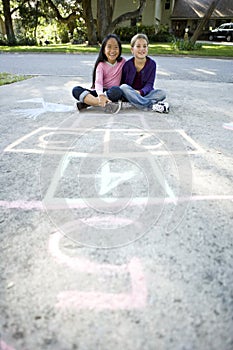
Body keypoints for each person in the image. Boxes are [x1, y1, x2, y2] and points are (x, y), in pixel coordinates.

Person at [72, 34, 125, 114]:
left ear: (120, 49)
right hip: (99, 92)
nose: (112, 50)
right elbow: (98, 82)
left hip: (111, 92)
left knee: (117, 91)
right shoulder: (101, 65)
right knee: (75, 90)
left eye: (116, 47)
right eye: (109, 47)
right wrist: (100, 95)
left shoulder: (123, 62)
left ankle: (87, 103)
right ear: (104, 50)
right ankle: (99, 103)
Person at [120, 33, 169, 113]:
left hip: (145, 94)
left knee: (161, 93)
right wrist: (133, 92)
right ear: (132, 49)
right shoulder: (127, 65)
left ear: (147, 48)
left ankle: (138, 103)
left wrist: (140, 92)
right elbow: (123, 83)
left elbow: (150, 84)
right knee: (123, 87)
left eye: (144, 46)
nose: (142, 49)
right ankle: (151, 105)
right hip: (131, 93)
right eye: (138, 46)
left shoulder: (152, 64)